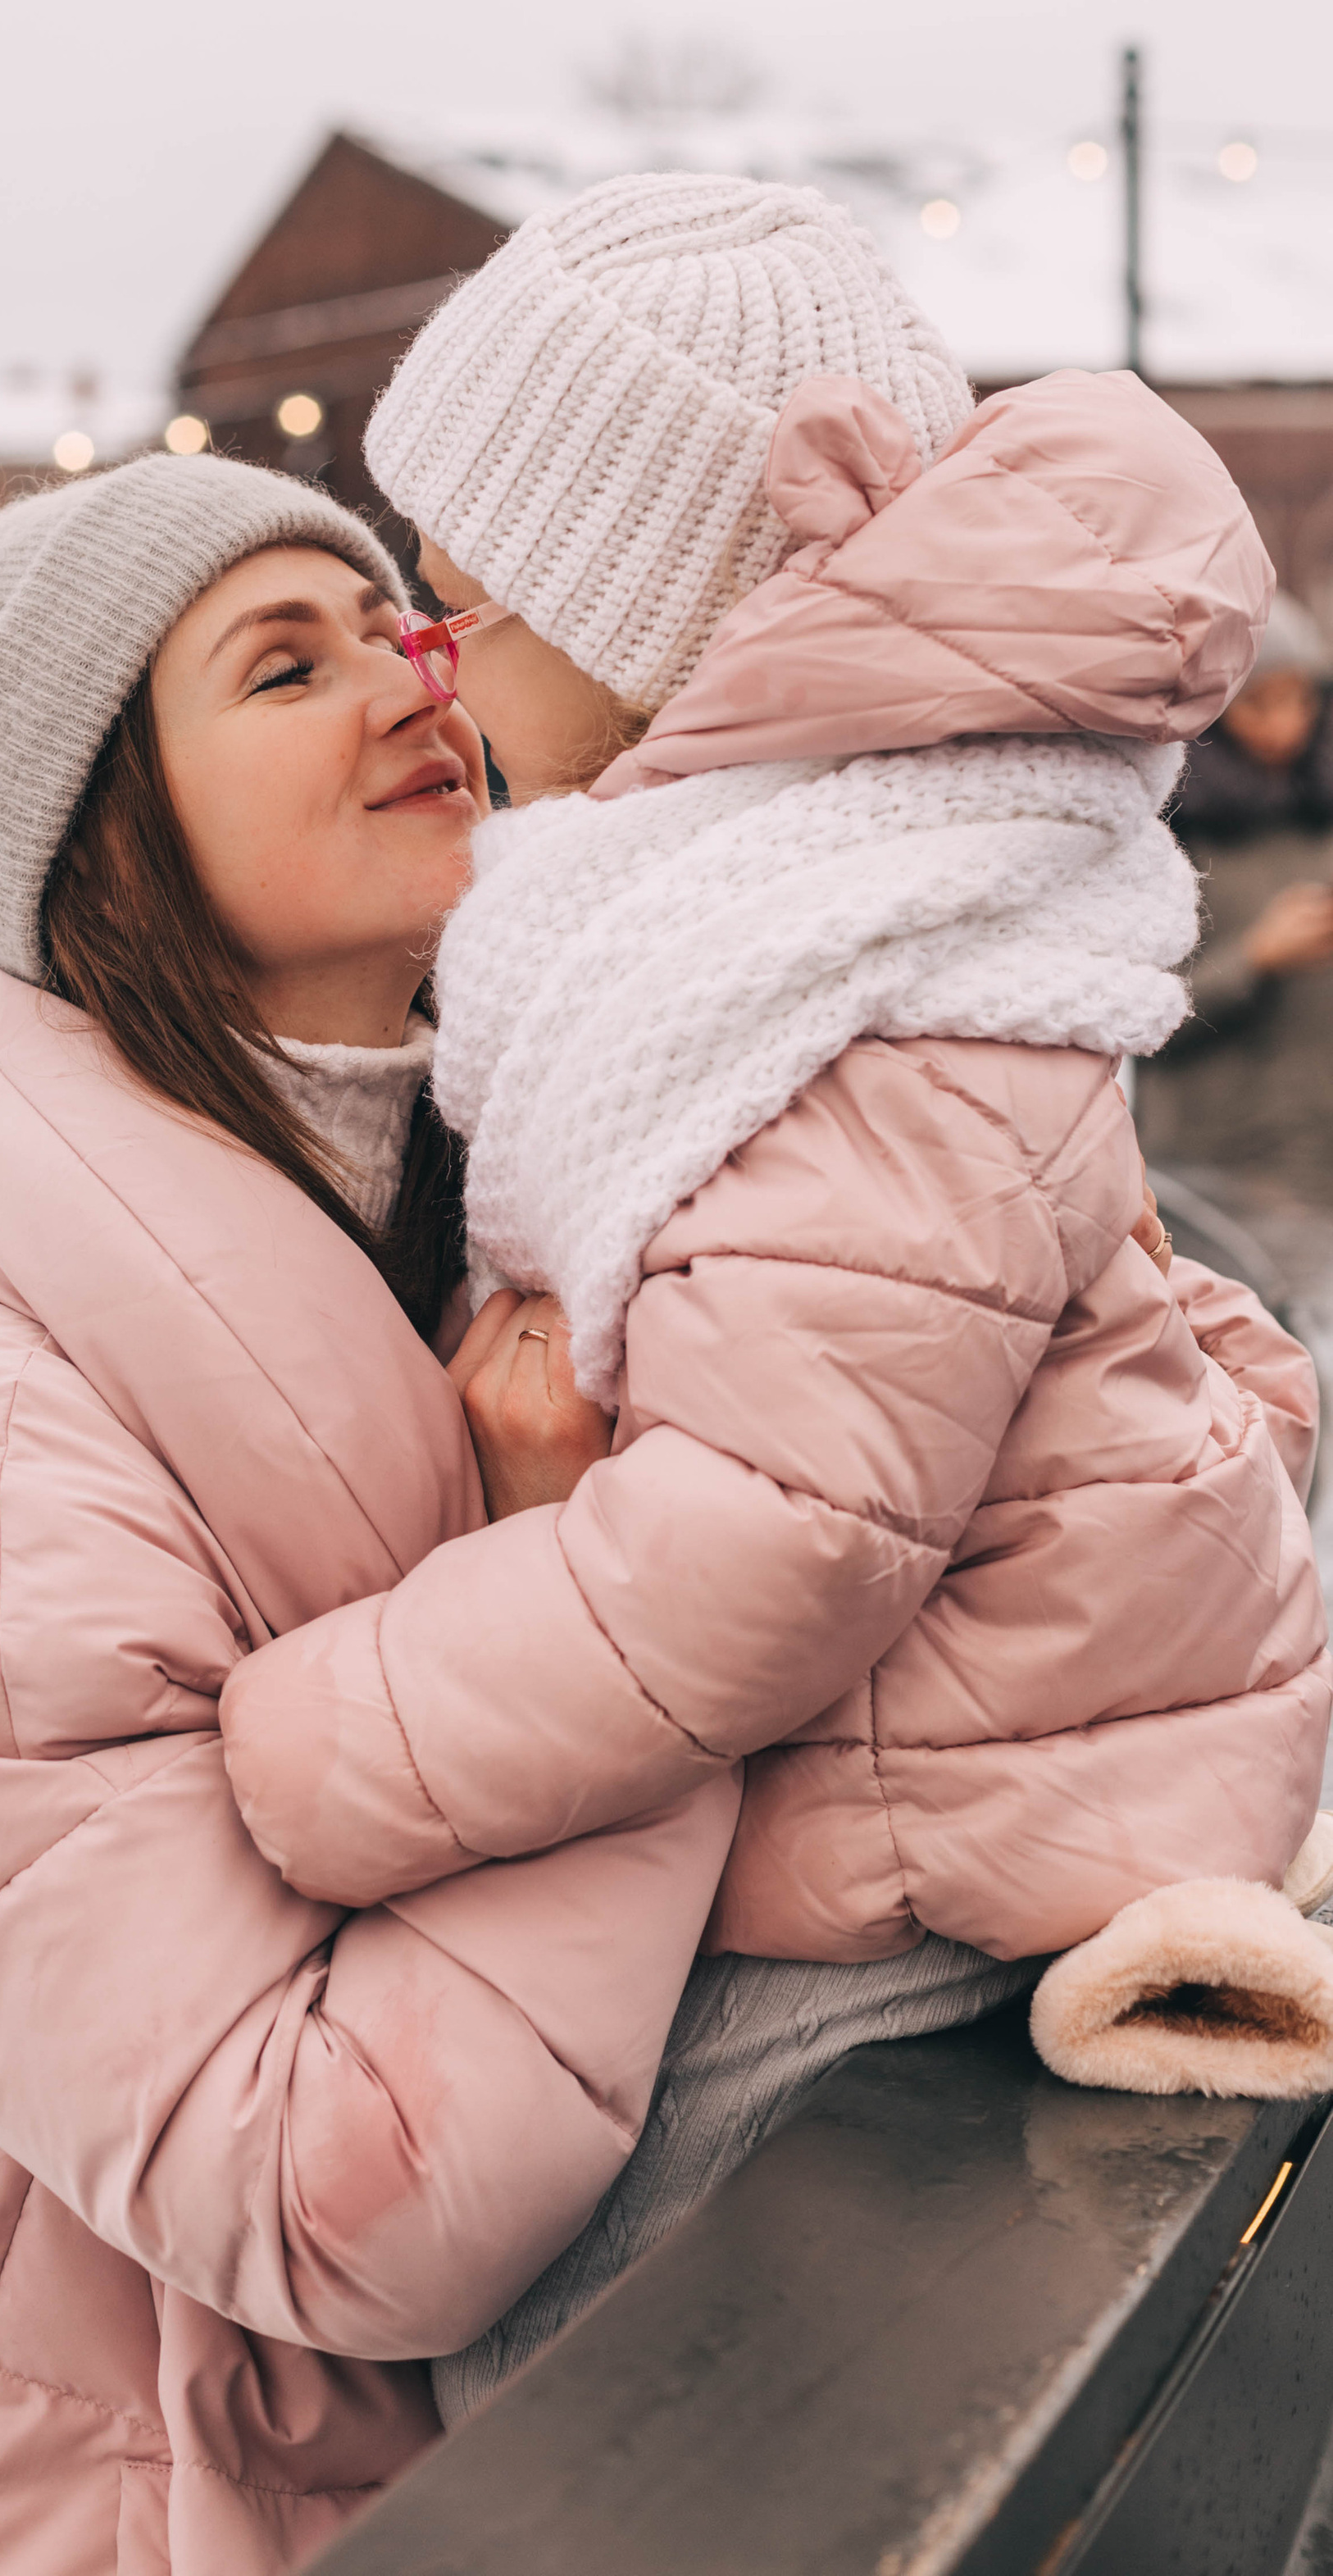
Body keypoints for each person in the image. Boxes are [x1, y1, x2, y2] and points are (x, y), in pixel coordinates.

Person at [216, 175, 1333, 2416]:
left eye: (477, 593)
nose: (438, 646)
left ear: (657, 609)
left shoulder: (856, 986)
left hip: (942, 1842)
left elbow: (770, 1546)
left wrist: (322, 1741)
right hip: (965, 1756)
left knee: (589, 2359)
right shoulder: (797, 912)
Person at [0, 455, 742, 2576]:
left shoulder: (515, 1236)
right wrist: (598, 1590)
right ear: (99, 837)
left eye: (392, 625)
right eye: (286, 666)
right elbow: (330, 2194)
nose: (409, 681)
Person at [1135, 589, 1333, 1204]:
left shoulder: (1319, 821)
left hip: (1318, 1148)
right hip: (1215, 1162)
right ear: (1211, 712)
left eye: (1302, 697)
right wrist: (1256, 958)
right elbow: (1140, 1014)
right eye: (1260, 702)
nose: (1287, 723)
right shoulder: (1161, 836)